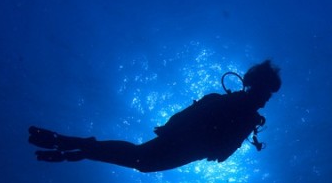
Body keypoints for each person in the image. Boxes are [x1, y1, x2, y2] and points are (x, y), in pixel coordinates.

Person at [28, 60, 281, 173]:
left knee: (142, 162)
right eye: (267, 91)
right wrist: (171, 129)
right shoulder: (236, 106)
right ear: (256, 85)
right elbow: (201, 114)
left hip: (192, 149)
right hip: (185, 142)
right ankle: (83, 147)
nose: (267, 98)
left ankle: (85, 149)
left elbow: (224, 150)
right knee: (141, 158)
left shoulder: (249, 117)